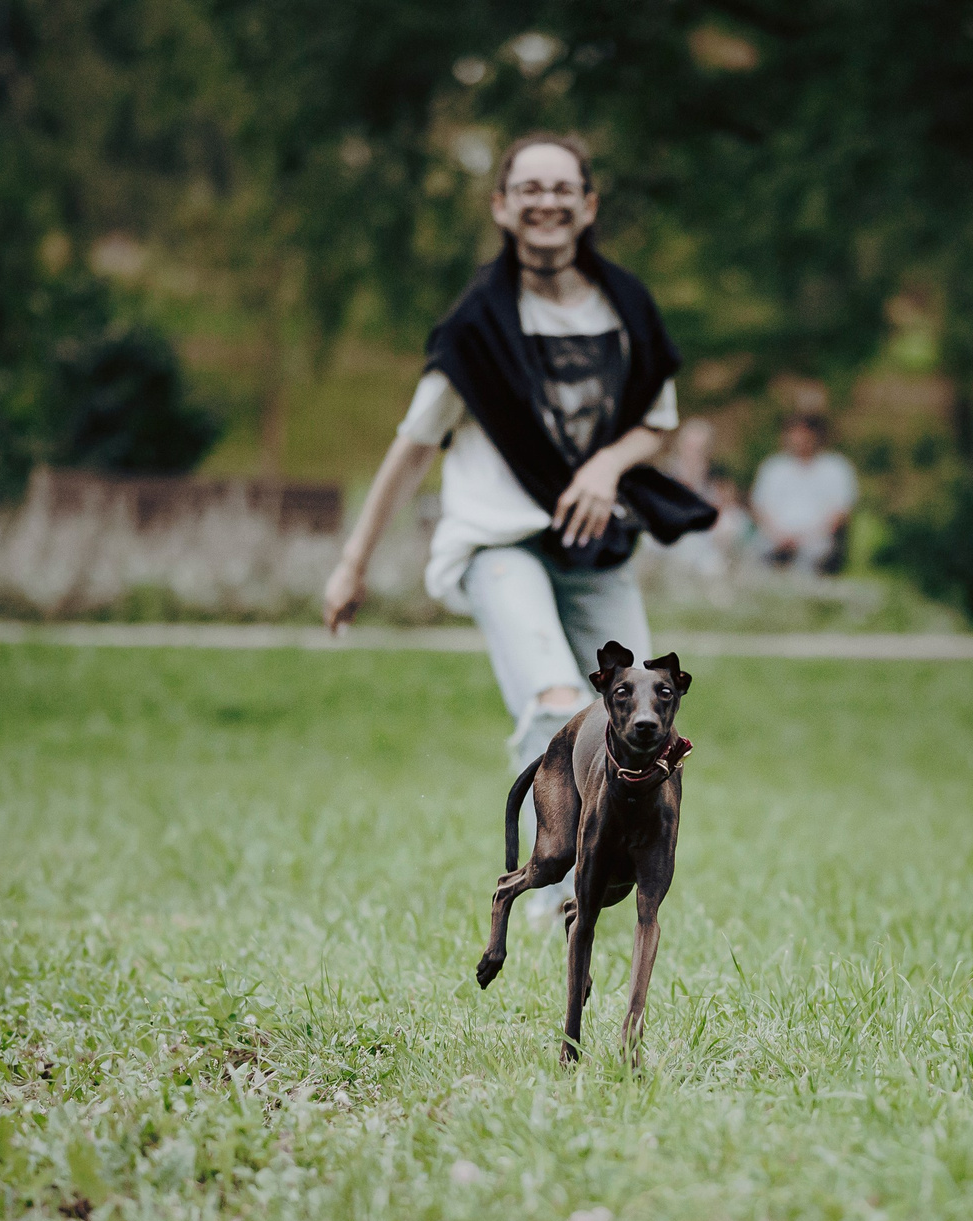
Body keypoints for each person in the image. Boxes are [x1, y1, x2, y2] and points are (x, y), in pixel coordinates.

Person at [324, 133, 714, 851]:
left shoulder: (626, 306)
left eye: (562, 188)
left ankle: (594, 885)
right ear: (502, 206)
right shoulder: (476, 327)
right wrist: (353, 562)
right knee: (557, 705)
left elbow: (657, 424)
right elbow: (413, 448)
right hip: (498, 540)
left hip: (596, 543)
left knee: (629, 724)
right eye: (529, 189)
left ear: (588, 204)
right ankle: (548, 892)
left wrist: (603, 468)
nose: (547, 202)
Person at [748, 411, 858, 574]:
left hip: (816, 541)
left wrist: (805, 538)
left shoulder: (835, 468)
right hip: (775, 538)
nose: (798, 440)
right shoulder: (773, 467)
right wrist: (779, 536)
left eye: (803, 434)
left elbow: (840, 513)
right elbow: (759, 507)